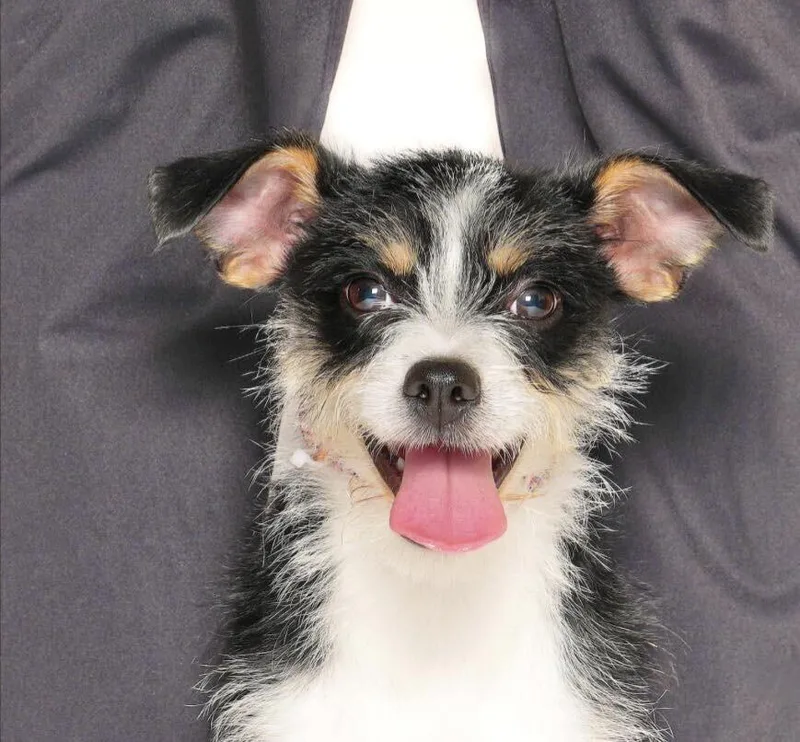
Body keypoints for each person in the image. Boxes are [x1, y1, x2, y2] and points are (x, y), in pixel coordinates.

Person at [2, 1, 797, 740]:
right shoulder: (278, 696)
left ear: (639, 254)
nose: (443, 371)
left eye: (537, 302)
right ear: (264, 240)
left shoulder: (588, 699)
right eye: (367, 293)